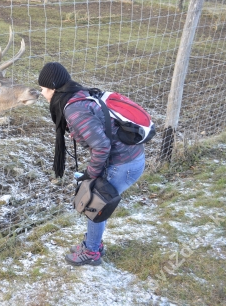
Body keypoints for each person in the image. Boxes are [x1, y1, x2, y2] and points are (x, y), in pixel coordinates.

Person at [38, 62, 146, 266]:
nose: (42, 93)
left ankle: (91, 251)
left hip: (124, 164)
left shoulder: (74, 110)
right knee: (96, 204)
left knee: (94, 206)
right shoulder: (78, 95)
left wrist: (91, 175)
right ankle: (93, 242)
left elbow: (102, 147)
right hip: (129, 158)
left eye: (44, 88)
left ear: (54, 88)